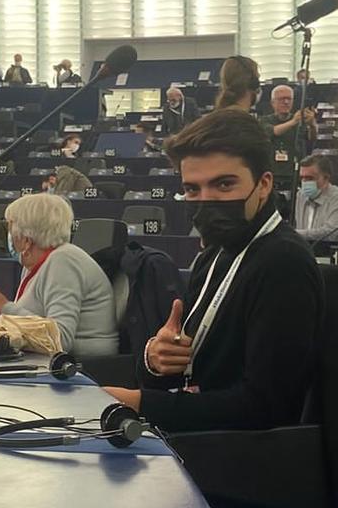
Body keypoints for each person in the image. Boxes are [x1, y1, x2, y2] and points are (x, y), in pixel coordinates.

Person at [102, 108, 323, 432]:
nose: (206, 200)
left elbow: (266, 407)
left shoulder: (282, 262)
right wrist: (155, 359)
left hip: (240, 463)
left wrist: (141, 404)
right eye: (193, 189)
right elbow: (188, 373)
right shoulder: (215, 254)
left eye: (224, 185)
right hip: (198, 443)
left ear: (263, 185)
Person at [0, 193, 118, 357]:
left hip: (84, 366)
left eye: (10, 228)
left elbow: (60, 339)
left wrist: (4, 305)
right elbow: (32, 323)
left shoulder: (63, 261)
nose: (8, 235)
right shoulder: (32, 262)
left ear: (26, 240)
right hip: (45, 358)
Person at [294, 155, 338, 242]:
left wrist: (294, 234)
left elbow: (329, 234)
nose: (305, 183)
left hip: (332, 252)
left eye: (310, 178)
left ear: (326, 178)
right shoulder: (300, 195)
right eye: (302, 178)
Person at [260, 85, 317, 163]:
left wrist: (312, 125)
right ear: (272, 102)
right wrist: (293, 122)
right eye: (281, 99)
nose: (286, 102)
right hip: (272, 168)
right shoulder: (264, 120)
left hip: (295, 167)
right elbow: (274, 131)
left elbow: (311, 139)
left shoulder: (299, 120)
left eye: (289, 99)